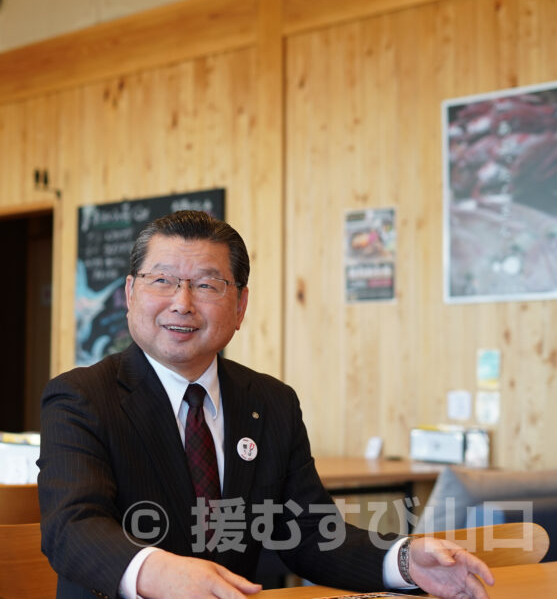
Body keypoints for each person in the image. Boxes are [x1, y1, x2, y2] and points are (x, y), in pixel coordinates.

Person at [39, 211, 495, 599]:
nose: (182, 303)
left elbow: (312, 535)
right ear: (131, 293)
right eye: (162, 280)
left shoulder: (271, 402)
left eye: (207, 285)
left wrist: (405, 562)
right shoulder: (82, 397)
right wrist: (160, 571)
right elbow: (72, 527)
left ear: (240, 306)